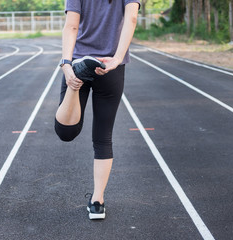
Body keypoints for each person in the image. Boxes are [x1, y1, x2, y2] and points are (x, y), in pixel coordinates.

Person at [55, 0, 140, 220]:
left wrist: (66, 64)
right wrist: (117, 59)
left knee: (66, 132)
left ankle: (76, 83)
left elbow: (72, 25)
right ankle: (97, 202)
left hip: (79, 60)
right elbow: (131, 18)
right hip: (110, 65)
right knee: (103, 138)